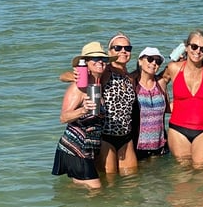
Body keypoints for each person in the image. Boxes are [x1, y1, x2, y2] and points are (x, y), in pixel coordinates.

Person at [59, 31, 138, 175]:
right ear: (110, 51)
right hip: (106, 137)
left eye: (127, 48)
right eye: (118, 48)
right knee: (109, 180)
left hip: (126, 137)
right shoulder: (104, 71)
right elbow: (65, 76)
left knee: (131, 180)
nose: (123, 51)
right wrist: (73, 76)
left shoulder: (130, 77)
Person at [52, 42, 115, 189]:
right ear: (86, 63)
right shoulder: (78, 87)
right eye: (95, 59)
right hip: (75, 148)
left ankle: (68, 198)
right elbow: (63, 117)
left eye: (103, 59)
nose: (100, 62)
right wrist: (83, 110)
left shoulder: (98, 84)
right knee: (96, 190)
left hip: (88, 149)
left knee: (83, 188)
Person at [161, 30, 203, 167]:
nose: (198, 51)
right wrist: (165, 105)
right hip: (178, 129)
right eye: (194, 46)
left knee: (201, 167)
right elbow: (158, 83)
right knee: (183, 171)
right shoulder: (173, 68)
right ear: (186, 47)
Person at [132, 47, 169, 160]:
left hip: (160, 145)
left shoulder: (161, 83)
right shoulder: (132, 83)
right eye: (150, 59)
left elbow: (168, 108)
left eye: (158, 61)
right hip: (138, 146)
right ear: (140, 61)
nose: (154, 63)